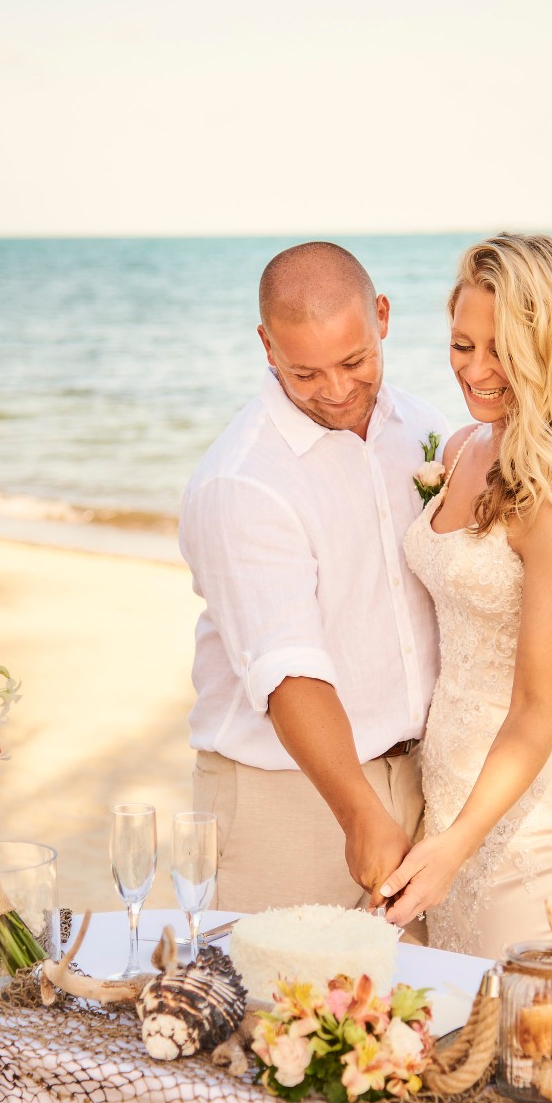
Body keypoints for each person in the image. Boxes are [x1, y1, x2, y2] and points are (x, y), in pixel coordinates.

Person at [179, 241, 448, 914]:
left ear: (382, 316)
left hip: (423, 781)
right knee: (269, 1013)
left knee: (407, 1014)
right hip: (288, 805)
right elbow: (288, 668)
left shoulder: (423, 427)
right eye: (305, 373)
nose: (335, 390)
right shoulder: (242, 481)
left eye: (355, 361)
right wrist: (358, 812)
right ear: (268, 348)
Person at [381, 233, 552, 958]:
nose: (478, 372)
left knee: (522, 1041)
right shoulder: (460, 448)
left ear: (550, 347)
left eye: (503, 351)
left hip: (538, 813)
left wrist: (454, 845)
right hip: (452, 784)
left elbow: (540, 706)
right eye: (463, 345)